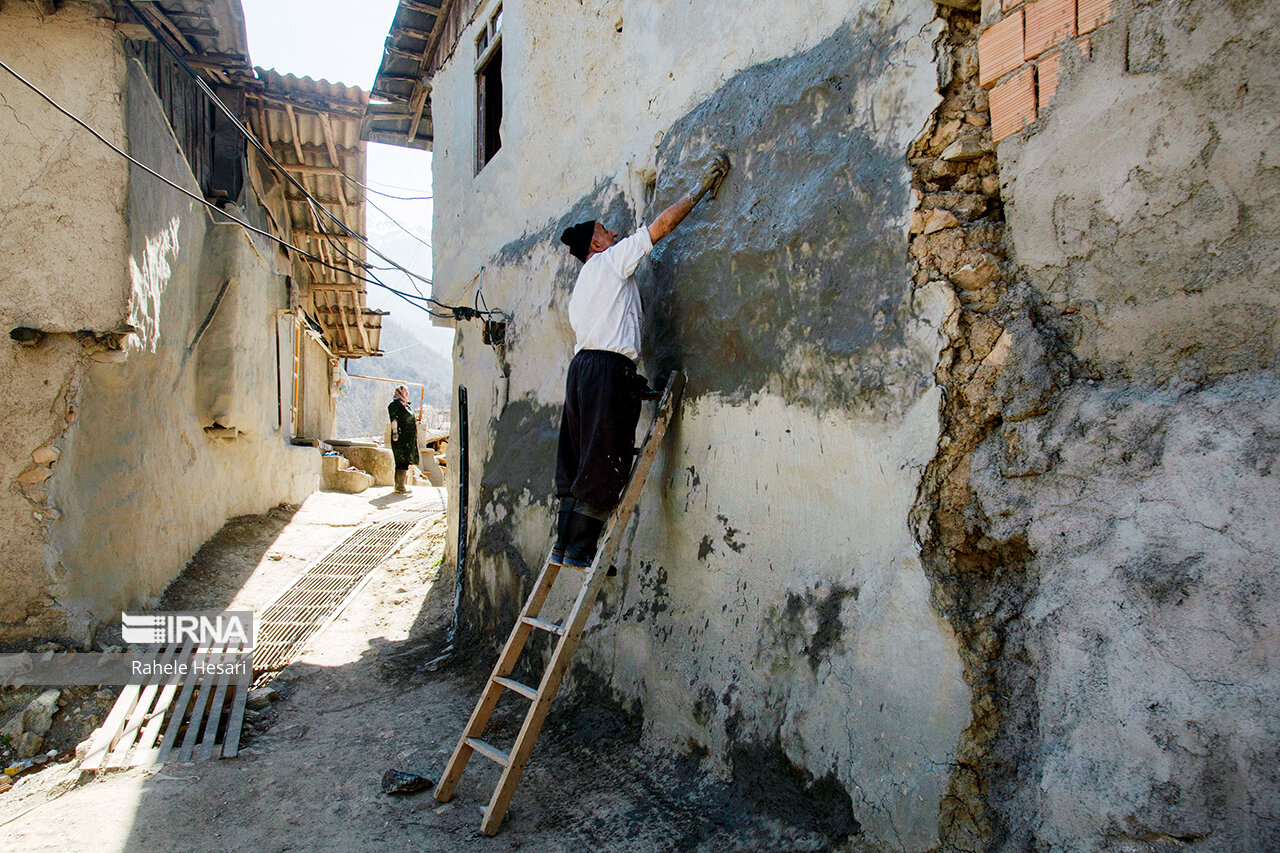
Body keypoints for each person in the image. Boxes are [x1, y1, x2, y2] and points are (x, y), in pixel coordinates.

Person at [552, 154, 731, 567]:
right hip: (607, 371)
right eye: (605, 230)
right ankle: (581, 549)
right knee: (605, 454)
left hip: (581, 370)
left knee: (576, 455)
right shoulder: (611, 262)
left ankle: (565, 543)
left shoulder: (582, 286)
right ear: (596, 245)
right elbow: (660, 228)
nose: (613, 232)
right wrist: (699, 189)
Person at [388, 384, 418, 494]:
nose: (407, 393)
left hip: (408, 439)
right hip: (401, 438)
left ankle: (402, 485)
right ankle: (399, 486)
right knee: (401, 461)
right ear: (400, 393)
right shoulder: (394, 405)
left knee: (406, 461)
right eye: (405, 391)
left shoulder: (406, 405)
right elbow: (394, 419)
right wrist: (395, 433)